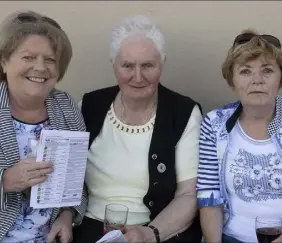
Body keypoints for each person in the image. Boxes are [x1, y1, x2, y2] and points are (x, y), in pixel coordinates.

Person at [0, 10, 87, 243]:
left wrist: (67, 215)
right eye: (28, 57)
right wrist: (6, 179)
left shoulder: (66, 107)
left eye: (50, 59)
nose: (40, 67)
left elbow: (78, 180)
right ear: (4, 61)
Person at [196, 29, 282, 243]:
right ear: (231, 81)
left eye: (267, 70)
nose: (257, 80)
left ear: (280, 79)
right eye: (245, 71)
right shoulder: (214, 125)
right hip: (231, 237)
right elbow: (209, 198)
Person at [72, 15, 203, 243]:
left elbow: (188, 194)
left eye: (148, 66)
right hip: (91, 230)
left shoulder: (183, 113)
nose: (138, 76)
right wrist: (66, 216)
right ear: (114, 65)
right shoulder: (89, 106)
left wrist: (151, 233)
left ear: (162, 64)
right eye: (128, 66)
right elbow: (67, 180)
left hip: (156, 231)